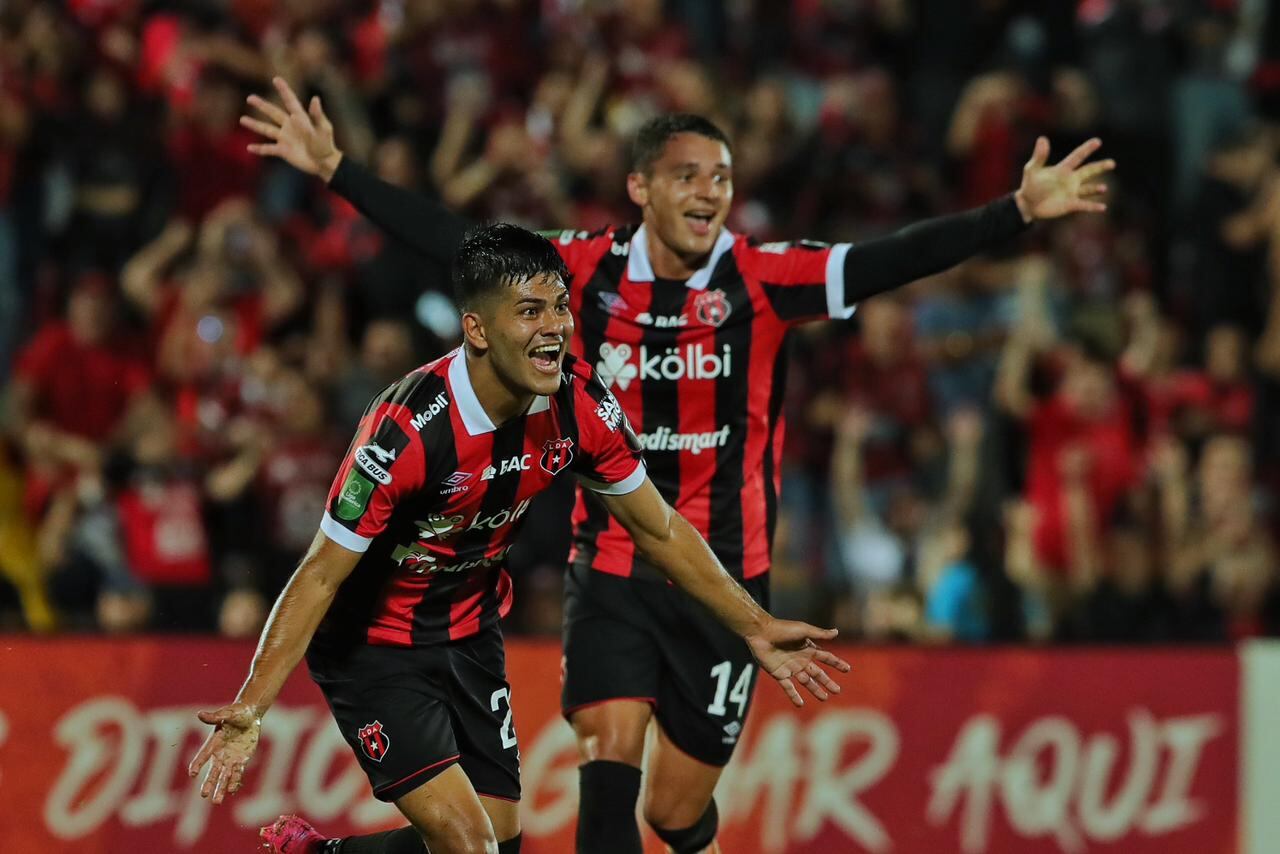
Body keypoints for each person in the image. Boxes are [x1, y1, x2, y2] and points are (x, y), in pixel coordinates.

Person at [240, 76, 1113, 853]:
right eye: (690, 174)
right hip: (613, 561)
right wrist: (337, 170)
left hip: (725, 567)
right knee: (607, 748)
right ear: (641, 189)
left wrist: (1017, 212)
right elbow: (463, 244)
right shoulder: (583, 269)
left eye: (723, 178)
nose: (710, 192)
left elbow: (892, 260)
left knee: (673, 810)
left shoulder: (764, 278)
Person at [187, 224, 849, 854]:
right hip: (373, 647)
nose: (556, 326)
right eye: (530, 312)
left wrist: (753, 624)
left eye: (561, 307)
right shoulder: (408, 430)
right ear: (476, 328)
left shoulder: (580, 401)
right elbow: (321, 574)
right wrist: (252, 705)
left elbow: (659, 528)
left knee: (500, 843)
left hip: (470, 631)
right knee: (471, 846)